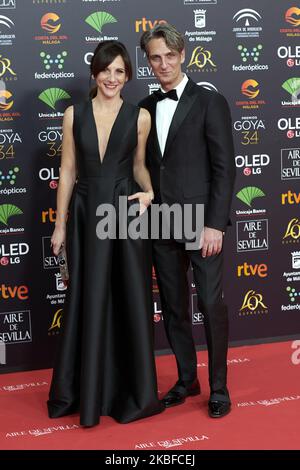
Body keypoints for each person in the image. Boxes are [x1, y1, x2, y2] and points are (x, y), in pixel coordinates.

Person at [47, 40, 164, 427]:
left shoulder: (139, 117)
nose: (112, 78)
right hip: (84, 212)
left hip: (125, 213)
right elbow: (66, 170)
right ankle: (84, 393)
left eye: (120, 71)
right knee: (88, 295)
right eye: (106, 70)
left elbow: (139, 165)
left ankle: (128, 391)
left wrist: (149, 193)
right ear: (94, 73)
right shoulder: (73, 114)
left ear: (128, 75)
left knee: (127, 295)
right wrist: (60, 223)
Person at [139, 24, 236, 418]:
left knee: (211, 304)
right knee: (174, 307)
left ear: (183, 55)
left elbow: (224, 168)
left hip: (201, 223)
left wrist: (215, 224)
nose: (163, 64)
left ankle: (218, 387)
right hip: (161, 221)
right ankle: (186, 378)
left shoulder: (209, 101)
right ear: (148, 61)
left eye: (169, 56)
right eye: (155, 58)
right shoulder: (144, 107)